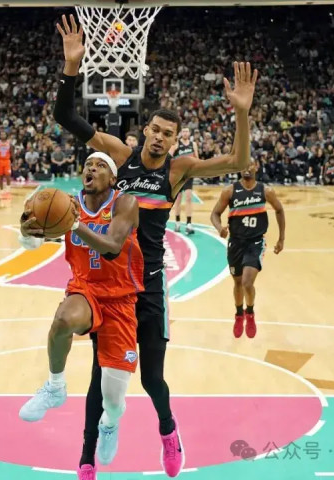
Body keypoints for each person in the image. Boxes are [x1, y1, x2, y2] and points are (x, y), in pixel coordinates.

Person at [52, 14, 257, 477]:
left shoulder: (179, 170)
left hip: (149, 286)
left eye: (169, 134)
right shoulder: (119, 157)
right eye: (156, 130)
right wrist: (71, 67)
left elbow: (239, 160)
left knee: (152, 378)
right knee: (99, 374)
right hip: (111, 287)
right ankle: (86, 458)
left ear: (176, 140)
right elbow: (65, 117)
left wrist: (242, 112)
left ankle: (168, 432)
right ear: (145, 130)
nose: (161, 137)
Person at [17, 152, 143, 480]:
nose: (92, 168)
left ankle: (109, 423)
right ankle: (55, 387)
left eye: (100, 166)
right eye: (88, 164)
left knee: (112, 400)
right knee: (63, 320)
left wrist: (74, 225)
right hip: (85, 287)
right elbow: (34, 241)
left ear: (112, 178)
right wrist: (27, 231)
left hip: (120, 298)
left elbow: (112, 245)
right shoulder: (68, 204)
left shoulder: (125, 203)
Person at [210, 158, 285, 338]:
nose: (247, 168)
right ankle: (239, 315)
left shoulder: (265, 191)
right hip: (235, 242)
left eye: (250, 164)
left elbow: (279, 210)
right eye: (244, 164)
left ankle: (250, 313)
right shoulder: (229, 191)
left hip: (255, 242)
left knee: (247, 282)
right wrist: (220, 228)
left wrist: (281, 238)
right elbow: (215, 214)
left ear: (256, 167)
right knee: (237, 283)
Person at [170, 128, 200, 234]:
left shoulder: (193, 144)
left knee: (188, 198)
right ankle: (177, 222)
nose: (185, 133)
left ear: (189, 133)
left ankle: (189, 223)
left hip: (188, 175)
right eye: (183, 131)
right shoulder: (176, 144)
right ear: (181, 133)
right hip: (178, 176)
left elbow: (197, 158)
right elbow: (169, 157)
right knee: (178, 200)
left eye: (187, 131)